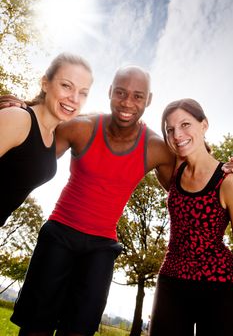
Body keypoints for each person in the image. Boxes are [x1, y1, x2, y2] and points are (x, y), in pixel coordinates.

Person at [2, 69, 233, 336]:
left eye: (138, 96)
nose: (127, 102)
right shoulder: (80, 126)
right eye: (121, 93)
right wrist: (24, 110)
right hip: (59, 233)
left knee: (79, 329)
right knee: (35, 326)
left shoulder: (158, 148)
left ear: (148, 100)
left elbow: (196, 171)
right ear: (110, 92)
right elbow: (35, 143)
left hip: (103, 248)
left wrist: (226, 167)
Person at [149, 99, 233, 336]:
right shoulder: (175, 167)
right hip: (171, 281)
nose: (177, 135)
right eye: (170, 129)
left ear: (204, 125)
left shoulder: (227, 181)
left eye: (186, 124)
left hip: (218, 285)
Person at [0, 52, 93, 227]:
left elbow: (92, 117)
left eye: (83, 93)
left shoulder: (52, 133)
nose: (74, 98)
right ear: (45, 83)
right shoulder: (19, 119)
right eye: (66, 85)